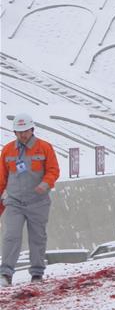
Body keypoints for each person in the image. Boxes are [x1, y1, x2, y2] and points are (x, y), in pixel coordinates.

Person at [0, 113, 60, 286]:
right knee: (11, 236)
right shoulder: (8, 150)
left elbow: (53, 170)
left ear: (32, 129)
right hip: (14, 202)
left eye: (25, 131)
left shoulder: (44, 148)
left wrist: (45, 184)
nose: (22, 135)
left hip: (38, 202)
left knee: (37, 237)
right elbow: (2, 177)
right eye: (19, 132)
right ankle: (5, 274)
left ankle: (37, 273)